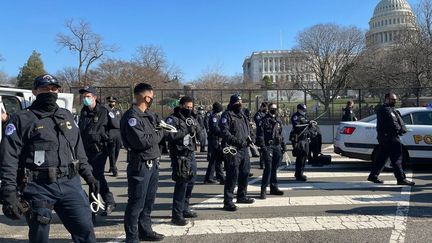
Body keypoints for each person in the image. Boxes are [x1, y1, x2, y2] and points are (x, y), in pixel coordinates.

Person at [0, 74, 99, 243]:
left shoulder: (66, 116)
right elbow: (9, 158)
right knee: (40, 236)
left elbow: (78, 150)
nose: (50, 92)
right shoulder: (22, 119)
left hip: (69, 184)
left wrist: (89, 176)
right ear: (34, 91)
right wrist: (8, 191)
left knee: (85, 230)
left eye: (54, 89)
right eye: (45, 89)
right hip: (38, 187)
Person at [121, 83, 165, 242]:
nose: (152, 99)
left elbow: (156, 132)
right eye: (151, 97)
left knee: (148, 200)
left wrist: (157, 132)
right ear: (146, 97)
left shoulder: (148, 115)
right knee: (136, 203)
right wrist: (159, 133)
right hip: (140, 165)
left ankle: (145, 230)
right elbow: (141, 142)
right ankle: (132, 238)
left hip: (153, 162)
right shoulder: (132, 117)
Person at [78, 86, 116, 216]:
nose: (85, 99)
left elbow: (116, 129)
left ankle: (95, 206)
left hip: (100, 150)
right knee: (91, 176)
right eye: (84, 97)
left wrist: (105, 137)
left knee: (96, 176)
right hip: (85, 150)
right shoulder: (83, 112)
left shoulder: (104, 111)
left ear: (94, 97)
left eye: (88, 96)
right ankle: (106, 201)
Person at [165, 96, 201, 226]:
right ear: (181, 106)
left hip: (190, 154)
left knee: (191, 181)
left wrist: (197, 126)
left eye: (191, 107)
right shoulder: (172, 119)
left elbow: (200, 132)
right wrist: (184, 131)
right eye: (187, 107)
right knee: (181, 184)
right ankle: (177, 214)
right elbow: (168, 135)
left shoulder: (191, 118)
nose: (189, 109)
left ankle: (185, 208)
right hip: (179, 155)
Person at [367, 92, 415, 186]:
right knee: (396, 158)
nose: (394, 101)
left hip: (387, 137)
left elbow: (397, 121)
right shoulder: (385, 110)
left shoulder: (391, 109)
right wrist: (399, 130)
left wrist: (401, 129)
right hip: (390, 137)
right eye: (392, 99)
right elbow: (392, 123)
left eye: (395, 99)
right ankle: (401, 178)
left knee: (382, 157)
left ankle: (373, 176)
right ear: (386, 99)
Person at [220, 94, 255, 212]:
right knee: (232, 175)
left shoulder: (242, 115)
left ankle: (242, 196)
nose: (239, 104)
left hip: (244, 149)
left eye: (241, 102)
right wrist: (238, 142)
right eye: (237, 102)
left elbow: (248, 130)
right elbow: (225, 133)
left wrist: (250, 139)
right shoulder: (227, 115)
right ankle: (228, 201)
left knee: (245, 173)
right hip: (233, 149)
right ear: (232, 103)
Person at [256, 103, 285, 199]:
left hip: (277, 146)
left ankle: (274, 187)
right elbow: (260, 135)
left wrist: (283, 145)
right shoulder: (263, 120)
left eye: (275, 108)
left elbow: (280, 134)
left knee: (275, 168)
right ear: (268, 109)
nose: (274, 110)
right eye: (272, 108)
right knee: (268, 167)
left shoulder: (278, 120)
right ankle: (263, 189)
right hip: (268, 146)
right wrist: (263, 147)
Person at [203, 102, 225, 184]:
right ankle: (220, 177)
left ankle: (209, 177)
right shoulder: (214, 117)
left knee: (214, 160)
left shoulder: (217, 116)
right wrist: (223, 132)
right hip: (215, 139)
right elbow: (215, 128)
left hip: (216, 139)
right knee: (217, 159)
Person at [290, 104, 310, 181]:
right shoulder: (295, 116)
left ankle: (300, 172)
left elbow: (307, 123)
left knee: (305, 155)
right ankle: (299, 174)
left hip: (305, 138)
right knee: (300, 156)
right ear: (298, 109)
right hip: (298, 138)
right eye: (303, 110)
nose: (304, 111)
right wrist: (307, 124)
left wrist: (310, 123)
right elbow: (296, 126)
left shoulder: (305, 116)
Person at [106, 96, 123, 177]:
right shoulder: (105, 110)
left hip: (118, 133)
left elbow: (121, 121)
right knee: (112, 151)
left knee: (117, 150)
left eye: (113, 102)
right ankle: (113, 168)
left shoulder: (118, 111)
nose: (112, 103)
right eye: (110, 102)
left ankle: (112, 165)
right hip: (111, 132)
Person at [254, 102, 268, 169]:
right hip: (260, 134)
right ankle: (262, 164)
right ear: (262, 107)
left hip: (266, 134)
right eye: (265, 107)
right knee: (262, 150)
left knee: (267, 149)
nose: (266, 109)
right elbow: (259, 123)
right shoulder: (258, 114)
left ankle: (265, 163)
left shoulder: (266, 114)